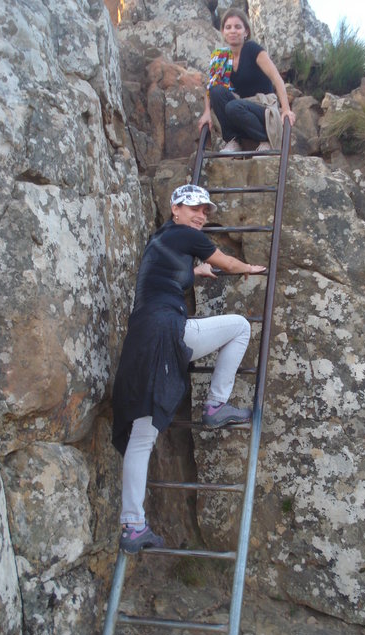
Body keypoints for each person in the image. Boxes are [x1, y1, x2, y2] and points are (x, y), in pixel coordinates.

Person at [112, 184, 266, 554]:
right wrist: (248, 268)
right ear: (175, 209)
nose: (200, 215)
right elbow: (226, 262)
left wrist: (194, 271)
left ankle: (133, 526)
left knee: (141, 436)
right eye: (193, 207)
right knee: (240, 327)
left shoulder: (160, 240)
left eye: (204, 211)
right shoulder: (186, 235)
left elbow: (163, 275)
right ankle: (215, 405)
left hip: (140, 341)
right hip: (167, 332)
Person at [198, 7, 296, 152]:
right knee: (217, 91)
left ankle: (265, 140)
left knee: (233, 107)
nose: (233, 31)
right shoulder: (222, 57)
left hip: (264, 107)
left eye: (238, 27)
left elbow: (277, 78)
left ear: (246, 32)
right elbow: (211, 86)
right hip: (242, 109)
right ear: (223, 32)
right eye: (228, 27)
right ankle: (233, 141)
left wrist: (286, 110)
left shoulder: (252, 49)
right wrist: (207, 112)